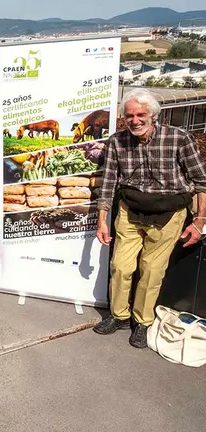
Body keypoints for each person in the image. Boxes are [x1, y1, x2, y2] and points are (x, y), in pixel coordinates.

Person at [93, 88, 206, 348]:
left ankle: (142, 322)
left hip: (169, 214)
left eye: (140, 114)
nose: (134, 120)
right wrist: (102, 220)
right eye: (129, 115)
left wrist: (199, 222)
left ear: (153, 115)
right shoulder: (117, 142)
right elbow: (108, 182)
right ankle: (119, 316)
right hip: (131, 211)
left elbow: (201, 181)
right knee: (121, 267)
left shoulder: (179, 138)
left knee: (152, 271)